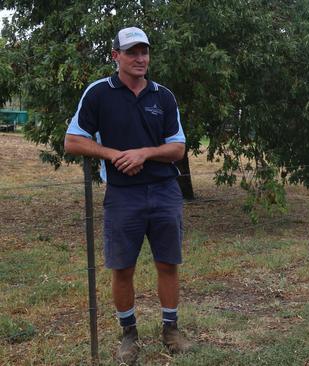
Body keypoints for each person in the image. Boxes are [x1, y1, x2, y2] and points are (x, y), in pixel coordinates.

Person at [64, 26, 192, 364]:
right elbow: (73, 140)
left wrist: (144, 154)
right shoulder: (98, 93)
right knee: (122, 269)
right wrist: (115, 155)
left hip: (164, 191)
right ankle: (129, 334)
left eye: (144, 52)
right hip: (123, 195)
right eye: (132, 52)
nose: (140, 58)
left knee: (168, 263)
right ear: (115, 56)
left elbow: (177, 148)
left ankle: (171, 328)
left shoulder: (163, 96)